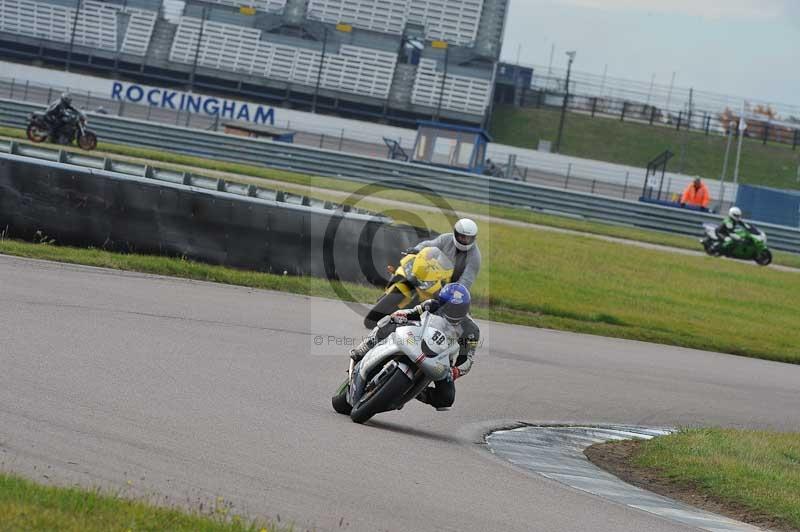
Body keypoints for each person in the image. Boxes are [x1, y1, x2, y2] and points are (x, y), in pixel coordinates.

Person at [350, 283, 480, 411]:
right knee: (390, 320)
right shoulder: (432, 305)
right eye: (448, 306)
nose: (452, 311)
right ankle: (364, 347)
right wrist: (401, 316)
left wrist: (457, 371)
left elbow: (468, 359)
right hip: (418, 340)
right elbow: (412, 313)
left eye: (457, 308)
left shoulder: (471, 330)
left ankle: (414, 392)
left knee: (446, 398)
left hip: (441, 359)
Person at [406, 218, 481, 289]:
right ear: (455, 233)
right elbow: (428, 245)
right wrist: (417, 249)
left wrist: (454, 291)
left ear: (474, 238)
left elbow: (466, 280)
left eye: (468, 238)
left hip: (449, 286)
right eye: (462, 236)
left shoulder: (475, 257)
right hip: (433, 276)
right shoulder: (446, 238)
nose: (464, 240)